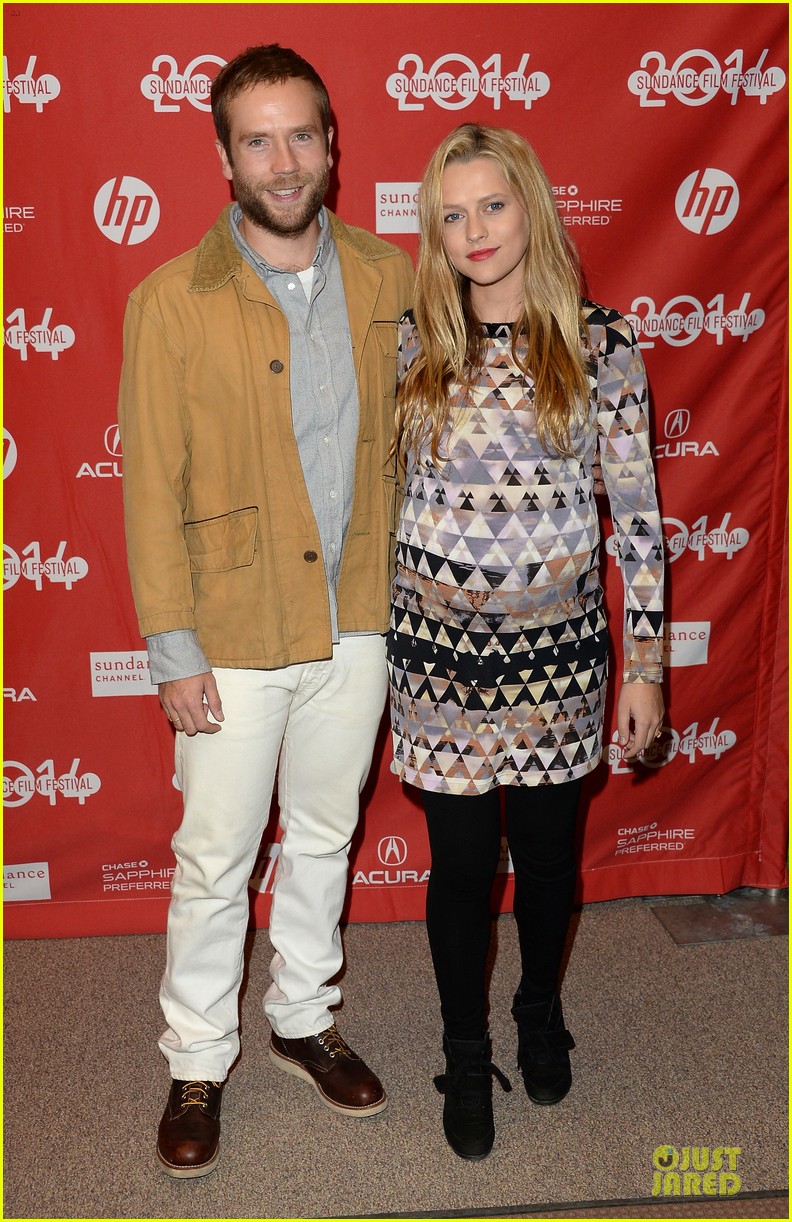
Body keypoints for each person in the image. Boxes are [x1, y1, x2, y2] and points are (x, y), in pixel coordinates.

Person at [118, 43, 413, 1179]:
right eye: (259, 139)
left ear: (334, 145)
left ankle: (301, 1017)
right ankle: (197, 1056)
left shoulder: (391, 276)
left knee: (327, 835)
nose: (284, 161)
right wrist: (173, 651)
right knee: (216, 857)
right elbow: (151, 484)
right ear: (224, 156)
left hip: (358, 616)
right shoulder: (170, 301)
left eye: (303, 135)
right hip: (231, 631)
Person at [387, 124, 664, 1161]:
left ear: (532, 208)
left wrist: (647, 668)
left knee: (548, 858)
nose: (475, 232)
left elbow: (636, 520)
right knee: (461, 865)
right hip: (438, 664)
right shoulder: (412, 342)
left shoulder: (603, 344)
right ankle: (465, 1049)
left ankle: (537, 1012)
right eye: (452, 215)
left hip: (560, 660)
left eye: (492, 206)